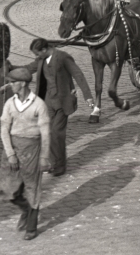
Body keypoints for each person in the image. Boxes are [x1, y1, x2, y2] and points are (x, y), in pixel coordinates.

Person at [0, 67, 50, 240]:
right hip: (13, 148)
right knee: (8, 189)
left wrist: (44, 157)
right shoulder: (9, 104)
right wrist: (10, 153)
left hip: (32, 149)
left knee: (32, 187)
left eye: (13, 82)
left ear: (22, 83)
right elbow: (4, 129)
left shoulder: (38, 105)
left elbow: (46, 133)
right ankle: (26, 209)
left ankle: (31, 227)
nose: (11, 85)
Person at [29, 38, 93, 176]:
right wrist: (8, 68)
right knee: (47, 132)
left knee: (57, 133)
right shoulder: (41, 60)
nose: (36, 57)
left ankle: (60, 165)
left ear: (44, 50)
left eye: (37, 53)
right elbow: (28, 68)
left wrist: (87, 96)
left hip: (63, 102)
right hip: (47, 102)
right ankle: (54, 162)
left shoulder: (62, 57)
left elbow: (78, 74)